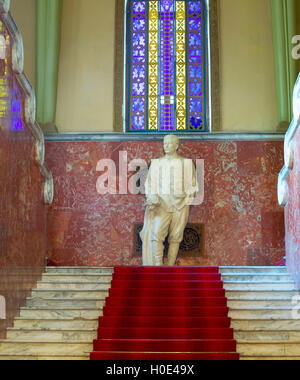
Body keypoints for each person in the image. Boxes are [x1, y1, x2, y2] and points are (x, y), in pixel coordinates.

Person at [140, 135, 198, 266]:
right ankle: (158, 265)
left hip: (181, 204)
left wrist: (188, 197)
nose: (166, 146)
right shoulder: (156, 163)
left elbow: (192, 184)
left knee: (176, 237)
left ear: (176, 146)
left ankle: (170, 266)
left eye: (169, 144)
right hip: (161, 204)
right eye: (164, 143)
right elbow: (149, 184)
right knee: (156, 234)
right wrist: (151, 197)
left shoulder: (186, 163)